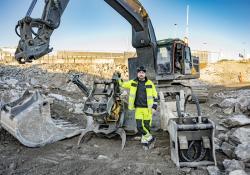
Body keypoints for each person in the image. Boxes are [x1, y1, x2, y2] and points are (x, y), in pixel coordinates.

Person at [116, 66, 158, 150]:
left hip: (148, 109)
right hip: (138, 109)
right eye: (139, 72)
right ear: (137, 74)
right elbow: (122, 84)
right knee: (139, 126)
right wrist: (118, 77)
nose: (141, 74)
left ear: (145, 74)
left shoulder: (150, 83)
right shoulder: (133, 82)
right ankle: (150, 138)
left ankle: (145, 142)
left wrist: (154, 107)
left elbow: (155, 96)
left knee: (146, 126)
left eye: (142, 72)